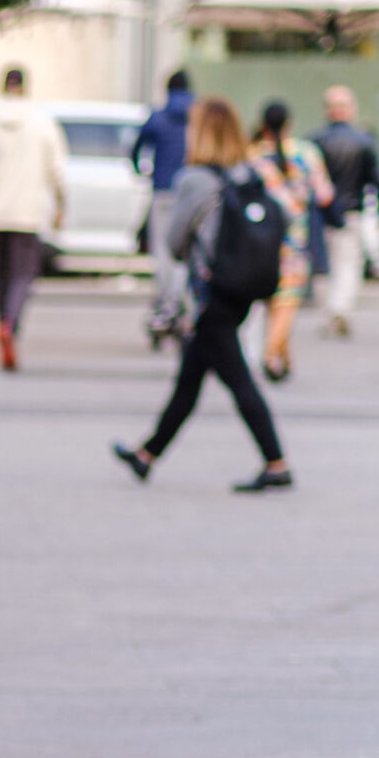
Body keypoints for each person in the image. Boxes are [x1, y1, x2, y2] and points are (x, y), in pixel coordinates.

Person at [112, 97, 291, 493]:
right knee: (189, 380)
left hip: (212, 293)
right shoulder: (248, 174)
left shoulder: (195, 180)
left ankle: (276, 462)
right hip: (240, 290)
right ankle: (147, 455)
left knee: (239, 381)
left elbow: (174, 244)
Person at [0, 65, 65, 373]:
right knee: (22, 276)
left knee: (1, 275)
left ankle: (1, 324)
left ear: (2, 87)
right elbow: (56, 170)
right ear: (26, 87)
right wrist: (60, 204)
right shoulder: (42, 123)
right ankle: (11, 326)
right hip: (27, 213)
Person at [248, 101, 332, 381]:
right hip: (295, 239)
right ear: (289, 124)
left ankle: (284, 357)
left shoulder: (254, 156)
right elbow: (324, 195)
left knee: (273, 300)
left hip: (259, 239)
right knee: (287, 300)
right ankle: (272, 354)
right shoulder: (306, 153)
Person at [311, 85, 379, 339]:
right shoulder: (364, 142)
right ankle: (341, 308)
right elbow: (376, 180)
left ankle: (330, 311)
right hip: (351, 210)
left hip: (320, 214)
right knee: (348, 264)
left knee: (324, 265)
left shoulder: (315, 142)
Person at [133, 70, 194, 337]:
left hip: (164, 191)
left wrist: (141, 170)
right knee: (187, 249)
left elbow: (136, 148)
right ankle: (180, 298)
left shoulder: (157, 117)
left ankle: (166, 300)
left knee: (162, 249)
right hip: (192, 190)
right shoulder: (198, 116)